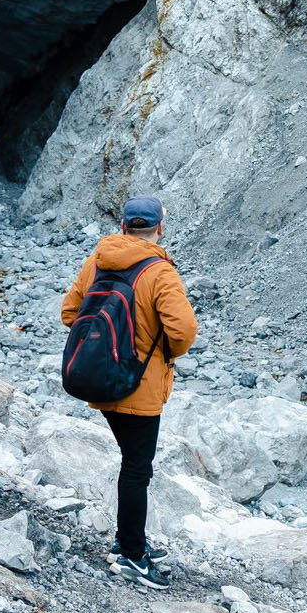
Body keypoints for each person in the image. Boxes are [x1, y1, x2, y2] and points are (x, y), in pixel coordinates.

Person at [60, 195, 197, 589]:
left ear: (122, 226)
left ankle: (129, 540)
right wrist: (158, 351)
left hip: (101, 380)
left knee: (133, 464)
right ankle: (132, 555)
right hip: (140, 387)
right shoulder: (159, 271)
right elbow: (184, 331)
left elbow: (70, 313)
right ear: (159, 229)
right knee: (137, 469)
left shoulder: (97, 261)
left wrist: (106, 346)